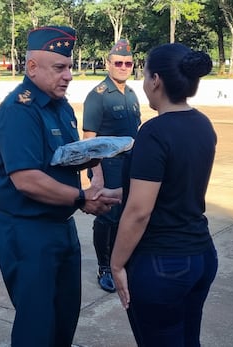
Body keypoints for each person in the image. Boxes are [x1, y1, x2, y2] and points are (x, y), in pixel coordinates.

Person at [0, 25, 121, 347]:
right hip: (27, 231)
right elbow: (26, 180)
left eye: (70, 67)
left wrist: (96, 164)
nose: (69, 76)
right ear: (32, 67)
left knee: (64, 319)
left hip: (60, 226)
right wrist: (81, 198)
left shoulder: (60, 107)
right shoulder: (19, 111)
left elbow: (65, 157)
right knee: (36, 327)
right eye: (60, 68)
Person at [110, 43, 218, 347]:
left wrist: (116, 264)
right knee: (187, 340)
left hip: (164, 262)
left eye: (144, 74)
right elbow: (176, 184)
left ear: (156, 80)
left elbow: (139, 211)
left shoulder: (154, 132)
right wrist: (117, 192)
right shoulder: (202, 125)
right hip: (200, 255)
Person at [82, 38, 141, 293]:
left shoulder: (131, 93)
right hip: (107, 166)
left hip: (130, 165)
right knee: (107, 218)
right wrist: (97, 177)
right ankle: (105, 267)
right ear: (108, 64)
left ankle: (122, 261)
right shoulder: (97, 96)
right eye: (118, 62)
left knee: (127, 216)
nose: (123, 67)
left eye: (128, 63)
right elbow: (89, 140)